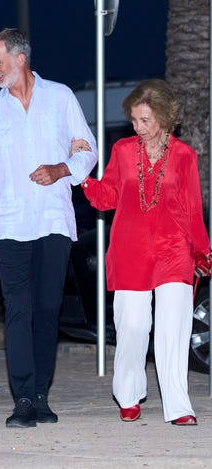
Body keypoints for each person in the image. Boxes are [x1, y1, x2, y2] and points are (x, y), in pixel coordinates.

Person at [0, 27, 98, 428]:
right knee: (17, 310)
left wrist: (61, 169)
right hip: (8, 223)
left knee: (47, 308)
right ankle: (22, 398)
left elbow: (86, 148)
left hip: (53, 218)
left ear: (20, 59)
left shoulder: (60, 97)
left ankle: (41, 393)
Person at [74, 78, 211, 426]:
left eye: (145, 120)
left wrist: (202, 252)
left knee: (173, 329)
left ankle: (179, 406)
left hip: (173, 250)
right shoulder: (122, 150)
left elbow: (193, 209)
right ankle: (129, 395)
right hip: (130, 250)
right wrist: (84, 178)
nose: (138, 127)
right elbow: (107, 197)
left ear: (164, 119)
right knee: (132, 326)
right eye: (134, 120)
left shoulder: (184, 156)